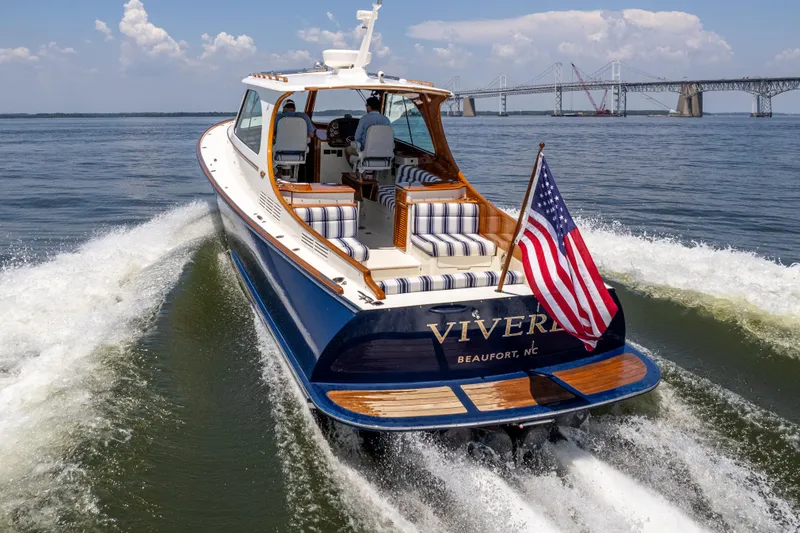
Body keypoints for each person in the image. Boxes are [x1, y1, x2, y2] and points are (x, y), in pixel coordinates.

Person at [346, 96, 390, 162]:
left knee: (347, 150)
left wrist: (358, 144)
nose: (366, 107)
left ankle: (355, 169)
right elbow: (390, 135)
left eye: (366, 105)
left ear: (369, 107)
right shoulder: (386, 120)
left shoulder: (364, 119)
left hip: (366, 151)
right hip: (383, 151)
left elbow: (357, 137)